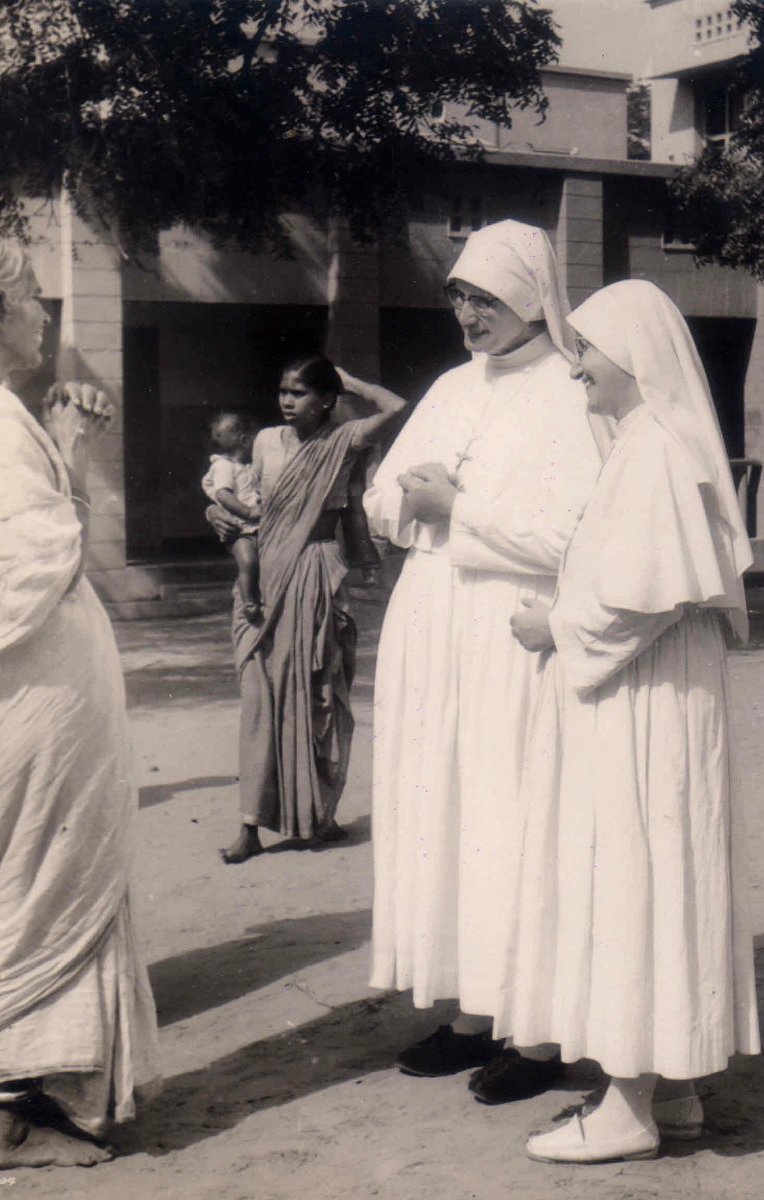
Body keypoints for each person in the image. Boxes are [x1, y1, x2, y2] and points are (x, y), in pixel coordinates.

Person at [0, 233, 160, 1169]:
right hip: (24, 692)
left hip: (12, 688)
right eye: (31, 296)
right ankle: (18, 1110)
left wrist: (63, 450)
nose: (46, 312)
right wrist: (65, 456)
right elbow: (34, 562)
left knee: (31, 884)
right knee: (43, 887)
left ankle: (48, 1093)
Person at [502, 279, 761, 1164]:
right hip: (659, 695)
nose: (575, 366)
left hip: (643, 700)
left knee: (635, 876)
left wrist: (555, 627)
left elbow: (639, 600)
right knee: (666, 866)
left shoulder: (653, 446)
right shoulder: (656, 443)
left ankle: (627, 1105)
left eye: (587, 350)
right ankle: (677, 1084)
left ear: (634, 355)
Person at [365, 220, 602, 1102]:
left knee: (513, 818)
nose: (470, 313)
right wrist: (408, 504)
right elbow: (380, 494)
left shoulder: (569, 394)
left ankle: (535, 1031)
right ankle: (470, 1011)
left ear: (534, 296)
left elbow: (570, 533)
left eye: (488, 298)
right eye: (460, 296)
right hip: (433, 631)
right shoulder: (449, 386)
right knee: (448, 816)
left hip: (511, 637)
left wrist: (455, 509)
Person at [210, 355, 406, 864]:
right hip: (265, 580)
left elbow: (397, 406)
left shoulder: (343, 440)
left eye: (298, 393)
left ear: (325, 399)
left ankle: (316, 816)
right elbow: (250, 504)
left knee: (317, 693)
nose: (286, 401)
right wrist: (225, 519)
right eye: (282, 391)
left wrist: (353, 382)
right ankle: (250, 826)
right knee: (259, 698)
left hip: (315, 573)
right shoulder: (264, 441)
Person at [202, 410, 263, 622]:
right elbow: (223, 494)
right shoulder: (224, 467)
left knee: (257, 562)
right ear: (245, 440)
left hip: (257, 528)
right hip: (240, 530)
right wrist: (248, 512)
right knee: (248, 561)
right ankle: (249, 602)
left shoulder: (247, 468)